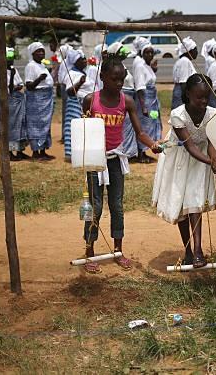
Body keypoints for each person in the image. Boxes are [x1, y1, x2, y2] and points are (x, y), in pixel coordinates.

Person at [81, 56, 162, 273]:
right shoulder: (91, 100)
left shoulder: (126, 101)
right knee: (95, 207)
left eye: (122, 79)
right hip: (95, 160)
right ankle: (89, 252)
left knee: (117, 205)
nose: (119, 83)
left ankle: (118, 251)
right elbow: (83, 132)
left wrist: (153, 144)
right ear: (102, 77)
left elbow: (140, 132)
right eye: (114, 79)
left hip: (116, 159)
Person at [152, 74, 216, 268]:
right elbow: (189, 147)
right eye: (199, 97)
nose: (203, 101)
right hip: (179, 159)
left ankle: (198, 250)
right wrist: (212, 163)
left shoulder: (212, 114)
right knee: (182, 203)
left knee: (195, 201)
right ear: (188, 94)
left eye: (206, 97)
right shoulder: (178, 115)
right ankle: (187, 251)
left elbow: (211, 143)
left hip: (202, 160)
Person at [107, 42, 138, 160]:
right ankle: (126, 151)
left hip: (128, 96)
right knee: (125, 124)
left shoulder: (122, 65)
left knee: (129, 125)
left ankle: (129, 151)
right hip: (122, 96)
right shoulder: (115, 68)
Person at [24, 42, 55, 161]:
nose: (41, 53)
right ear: (32, 53)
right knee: (36, 124)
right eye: (38, 51)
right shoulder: (30, 66)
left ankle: (43, 150)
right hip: (36, 100)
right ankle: (36, 152)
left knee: (45, 124)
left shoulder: (41, 65)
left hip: (46, 99)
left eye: (42, 50)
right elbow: (29, 86)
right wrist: (39, 79)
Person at [132, 40, 162, 163]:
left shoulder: (146, 65)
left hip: (152, 100)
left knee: (151, 124)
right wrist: (144, 107)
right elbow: (140, 87)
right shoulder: (140, 66)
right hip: (144, 100)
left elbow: (149, 78)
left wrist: (153, 69)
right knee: (143, 125)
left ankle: (145, 150)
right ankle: (141, 152)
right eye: (147, 52)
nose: (150, 55)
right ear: (142, 53)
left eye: (151, 52)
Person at [61, 49, 87, 162]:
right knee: (73, 128)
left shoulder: (82, 73)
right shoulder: (72, 74)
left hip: (84, 103)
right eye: (82, 60)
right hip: (75, 104)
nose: (85, 61)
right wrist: (80, 83)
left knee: (82, 129)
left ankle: (81, 153)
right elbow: (70, 91)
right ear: (75, 62)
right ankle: (71, 154)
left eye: (85, 58)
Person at [5, 48, 29, 161]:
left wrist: (16, 85)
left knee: (21, 125)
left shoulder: (13, 69)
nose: (11, 61)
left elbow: (20, 84)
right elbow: (9, 88)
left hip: (18, 99)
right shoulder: (2, 71)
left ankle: (20, 151)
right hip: (10, 101)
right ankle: (10, 152)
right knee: (11, 126)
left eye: (11, 59)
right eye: (8, 59)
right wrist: (13, 79)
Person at [171, 37, 198, 109]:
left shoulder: (184, 61)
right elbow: (184, 83)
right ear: (189, 51)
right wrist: (188, 101)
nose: (197, 52)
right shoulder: (184, 61)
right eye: (195, 50)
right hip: (182, 94)